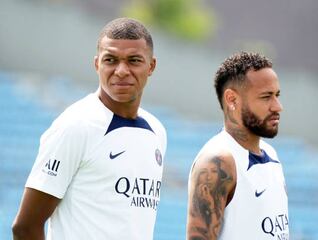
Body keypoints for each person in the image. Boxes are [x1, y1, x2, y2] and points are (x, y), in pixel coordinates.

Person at [12, 17, 167, 240]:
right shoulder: (76, 126)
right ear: (97, 64)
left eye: (134, 60)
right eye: (111, 60)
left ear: (151, 66)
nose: (121, 70)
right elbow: (25, 227)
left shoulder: (157, 131)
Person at [186, 52, 289, 240]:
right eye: (266, 97)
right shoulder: (218, 161)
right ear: (232, 99)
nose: (277, 106)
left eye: (277, 95)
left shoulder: (271, 154)